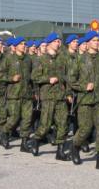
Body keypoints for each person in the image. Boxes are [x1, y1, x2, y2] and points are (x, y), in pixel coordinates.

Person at [68, 31, 99, 171]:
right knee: (85, 129)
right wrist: (83, 87)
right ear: (87, 43)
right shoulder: (79, 59)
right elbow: (71, 80)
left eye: (97, 40)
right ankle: (75, 147)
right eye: (94, 40)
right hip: (85, 100)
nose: (96, 42)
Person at [31, 33, 70, 161]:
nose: (58, 43)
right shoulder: (41, 59)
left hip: (60, 95)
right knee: (45, 124)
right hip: (47, 96)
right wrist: (48, 79)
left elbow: (67, 77)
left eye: (59, 41)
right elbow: (34, 77)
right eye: (56, 41)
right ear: (49, 43)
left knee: (63, 123)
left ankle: (60, 151)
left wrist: (68, 93)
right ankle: (36, 141)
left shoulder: (62, 58)